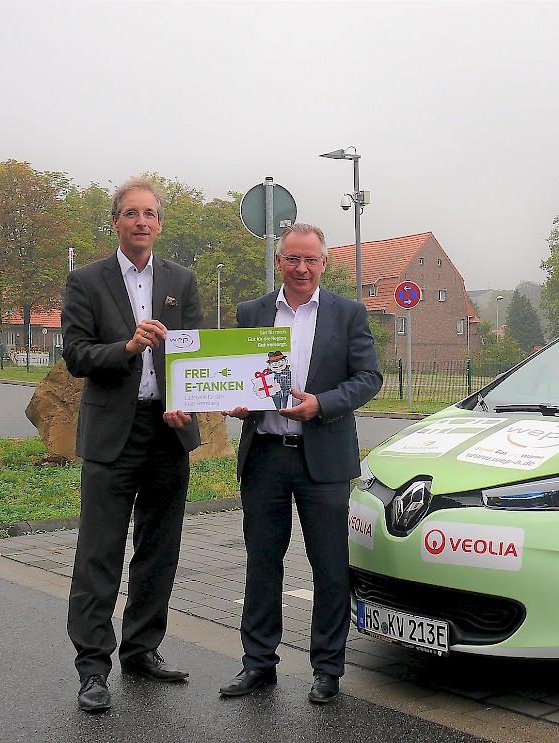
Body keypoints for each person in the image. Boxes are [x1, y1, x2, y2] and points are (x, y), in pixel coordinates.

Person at [219, 223, 382, 704]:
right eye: (293, 259)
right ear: (279, 262)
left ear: (325, 263)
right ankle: (258, 665)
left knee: (330, 568)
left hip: (323, 459)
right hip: (265, 455)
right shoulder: (252, 312)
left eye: (311, 260)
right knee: (262, 565)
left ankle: (328, 668)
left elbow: (368, 378)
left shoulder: (347, 313)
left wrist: (322, 404)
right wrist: (238, 398)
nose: (301, 268)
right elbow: (236, 374)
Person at [62, 177, 202, 712]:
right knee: (99, 551)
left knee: (158, 549)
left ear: (160, 223)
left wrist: (185, 395)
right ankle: (92, 667)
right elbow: (75, 354)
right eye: (130, 214)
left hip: (167, 429)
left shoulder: (181, 280)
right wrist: (125, 346)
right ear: (115, 222)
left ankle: (142, 649)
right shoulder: (87, 281)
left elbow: (192, 351)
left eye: (150, 214)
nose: (141, 222)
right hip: (111, 432)